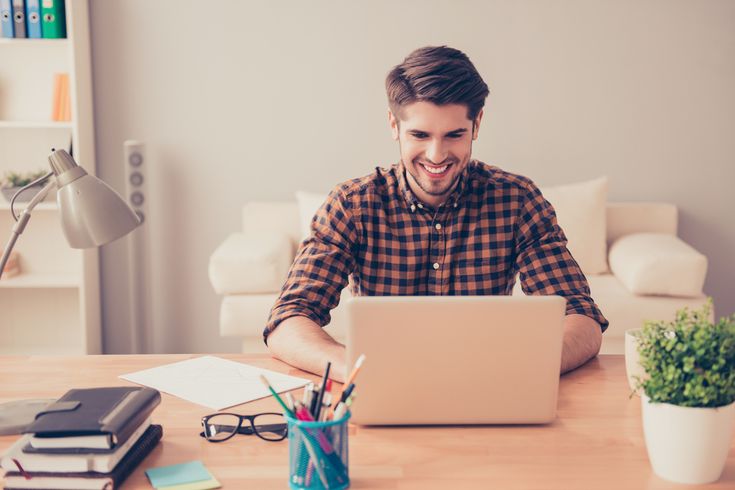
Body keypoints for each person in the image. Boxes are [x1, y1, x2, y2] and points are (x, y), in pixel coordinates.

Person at [264, 46, 608, 382]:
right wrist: (353, 369)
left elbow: (581, 315)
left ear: (476, 125)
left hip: (488, 387)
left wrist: (524, 368)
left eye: (454, 134)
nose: (436, 154)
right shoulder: (352, 204)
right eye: (420, 134)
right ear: (393, 125)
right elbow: (288, 319)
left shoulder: (517, 201)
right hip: (384, 389)